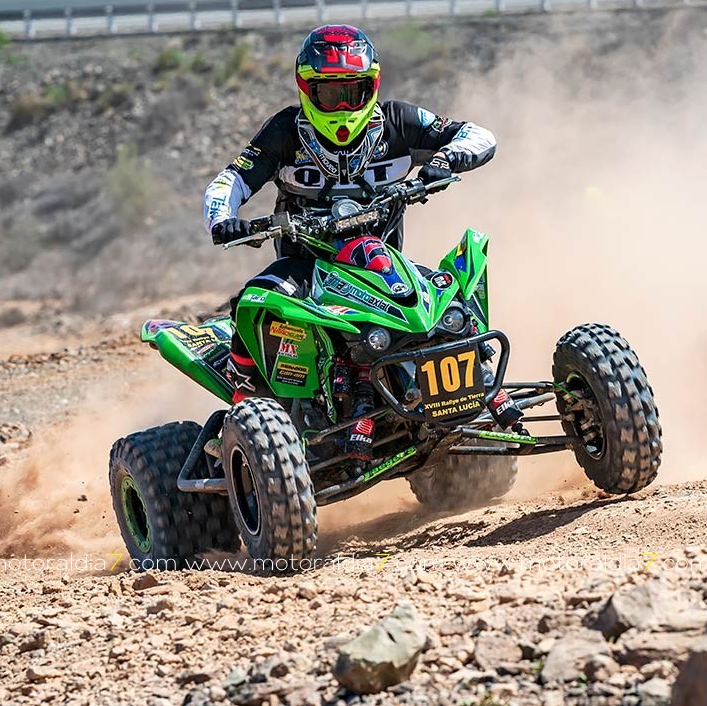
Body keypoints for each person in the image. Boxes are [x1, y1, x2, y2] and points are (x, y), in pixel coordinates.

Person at [202, 24, 515, 465]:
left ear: (372, 86)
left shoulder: (398, 121)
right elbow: (231, 179)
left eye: (354, 91)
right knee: (251, 303)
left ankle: (481, 383)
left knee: (453, 304)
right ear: (307, 90)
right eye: (331, 95)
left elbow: (479, 135)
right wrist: (223, 219)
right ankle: (242, 413)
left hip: (382, 265)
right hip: (306, 272)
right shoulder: (284, 133)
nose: (343, 105)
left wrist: (443, 159)